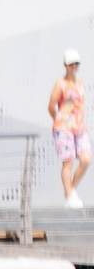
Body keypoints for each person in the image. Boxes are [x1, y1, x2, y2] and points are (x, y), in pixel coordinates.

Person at [51, 50, 88, 210]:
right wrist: (59, 120)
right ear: (66, 65)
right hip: (64, 126)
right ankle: (70, 194)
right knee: (69, 161)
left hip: (79, 126)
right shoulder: (61, 83)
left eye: (76, 64)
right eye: (71, 64)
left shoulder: (79, 82)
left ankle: (71, 190)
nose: (74, 67)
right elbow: (51, 105)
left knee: (86, 159)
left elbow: (81, 104)